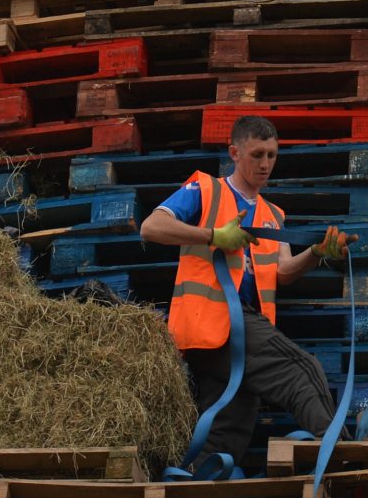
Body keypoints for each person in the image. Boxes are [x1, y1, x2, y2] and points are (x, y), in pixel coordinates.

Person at [139, 114, 354, 468]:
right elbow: (152, 227)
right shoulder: (206, 189)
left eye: (272, 154)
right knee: (302, 370)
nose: (265, 164)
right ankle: (342, 457)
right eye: (257, 155)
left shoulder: (273, 214)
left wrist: (317, 254)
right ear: (234, 153)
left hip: (235, 338)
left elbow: (283, 273)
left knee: (228, 432)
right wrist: (213, 236)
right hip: (213, 323)